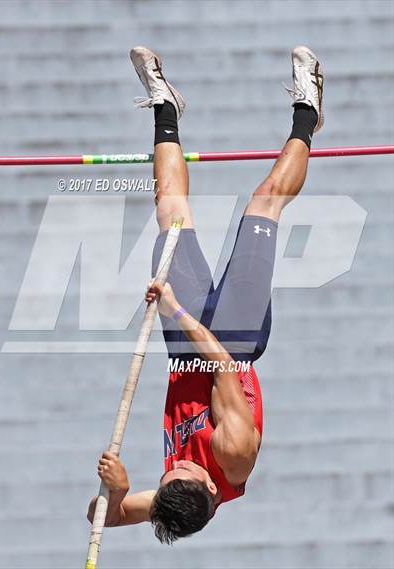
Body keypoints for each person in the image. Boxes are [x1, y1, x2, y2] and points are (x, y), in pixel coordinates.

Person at [88, 44, 324, 544]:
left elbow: (100, 517)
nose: (174, 467)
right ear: (210, 492)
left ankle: (165, 109)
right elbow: (218, 366)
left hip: (183, 350)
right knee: (264, 202)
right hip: (232, 343)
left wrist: (117, 490)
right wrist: (172, 308)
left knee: (170, 212)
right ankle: (308, 112)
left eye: (165, 475)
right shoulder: (234, 457)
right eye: (181, 471)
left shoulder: (174, 498)